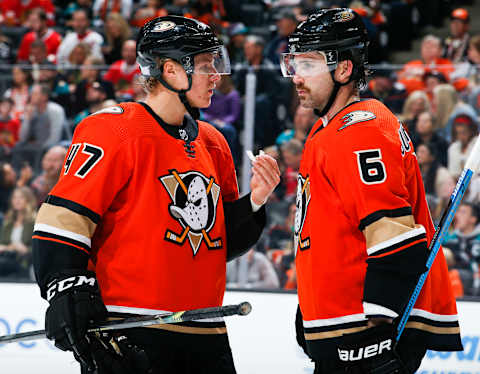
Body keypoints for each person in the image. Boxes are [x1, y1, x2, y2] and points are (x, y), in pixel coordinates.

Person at [32, 15, 280, 374]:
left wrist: (256, 200)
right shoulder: (112, 129)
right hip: (131, 329)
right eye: (207, 65)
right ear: (171, 70)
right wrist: (65, 289)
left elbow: (217, 243)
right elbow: (64, 217)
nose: (216, 76)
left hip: (206, 332)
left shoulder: (213, 142)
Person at [280, 8, 462, 373]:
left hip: (365, 330)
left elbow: (395, 237)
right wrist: (312, 310)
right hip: (344, 324)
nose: (296, 77)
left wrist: (377, 330)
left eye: (309, 64)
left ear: (344, 69)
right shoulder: (327, 130)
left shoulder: (360, 130)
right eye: (294, 64)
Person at [443, 202, 480, 296]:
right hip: (453, 281)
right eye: (457, 211)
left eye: (463, 212)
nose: (457, 215)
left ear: (473, 219)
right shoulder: (449, 239)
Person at [0, 186, 36, 278]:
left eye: (21, 197)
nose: (17, 200)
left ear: (28, 200)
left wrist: (25, 249)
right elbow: (2, 243)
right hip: (7, 258)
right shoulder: (8, 222)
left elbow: (38, 248)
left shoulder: (34, 222)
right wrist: (7, 247)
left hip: (25, 261)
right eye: (15, 197)